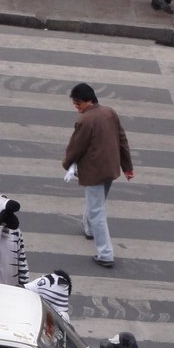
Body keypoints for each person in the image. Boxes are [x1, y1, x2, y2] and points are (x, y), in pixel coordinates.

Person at [62, 83, 133, 270]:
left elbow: (75, 147)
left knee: (97, 211)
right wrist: (127, 167)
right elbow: (122, 140)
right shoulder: (110, 112)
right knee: (96, 203)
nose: (77, 108)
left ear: (88, 101)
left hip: (94, 171)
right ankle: (89, 229)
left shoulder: (85, 121)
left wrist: (67, 164)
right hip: (110, 168)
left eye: (78, 104)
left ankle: (105, 254)